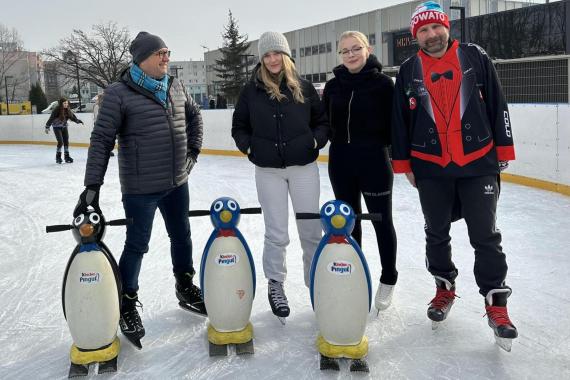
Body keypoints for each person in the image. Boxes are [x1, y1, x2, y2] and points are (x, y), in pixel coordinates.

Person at [391, 1, 517, 344]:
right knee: (436, 232)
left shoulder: (476, 56)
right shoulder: (407, 69)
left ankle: (496, 303)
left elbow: (497, 103)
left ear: (446, 27)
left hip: (478, 162)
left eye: (435, 27)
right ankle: (443, 287)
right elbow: (400, 122)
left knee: (485, 236)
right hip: (430, 166)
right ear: (416, 35)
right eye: (423, 30)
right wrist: (403, 165)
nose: (431, 35)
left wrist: (503, 150)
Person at [73, 31, 206, 348]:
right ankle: (127, 301)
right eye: (160, 53)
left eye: (167, 52)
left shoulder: (175, 86)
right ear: (142, 58)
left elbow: (194, 116)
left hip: (177, 182)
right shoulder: (117, 94)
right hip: (140, 187)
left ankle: (185, 285)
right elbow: (101, 141)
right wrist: (92, 187)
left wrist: (193, 154)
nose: (166, 58)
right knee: (137, 245)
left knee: (182, 235)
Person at [232, 31, 329, 320]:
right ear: (262, 59)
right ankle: (276, 284)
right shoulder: (251, 91)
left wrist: (314, 141)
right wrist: (249, 146)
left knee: (311, 231)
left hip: (303, 168)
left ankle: (316, 286)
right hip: (268, 171)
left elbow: (322, 122)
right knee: (276, 232)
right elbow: (239, 127)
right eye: (267, 55)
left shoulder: (304, 86)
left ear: (286, 56)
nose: (272, 59)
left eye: (277, 53)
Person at [322, 31, 398, 312]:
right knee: (348, 223)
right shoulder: (332, 87)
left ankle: (388, 277)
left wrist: (401, 158)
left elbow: (396, 126)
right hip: (340, 161)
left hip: (375, 161)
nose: (351, 54)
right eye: (345, 51)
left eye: (356, 49)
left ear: (368, 49)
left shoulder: (383, 85)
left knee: (381, 221)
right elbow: (323, 122)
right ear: (340, 55)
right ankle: (355, 275)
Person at [44, 97, 83, 164]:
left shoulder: (67, 109)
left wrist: (78, 121)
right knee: (60, 142)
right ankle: (58, 157)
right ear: (61, 103)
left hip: (64, 126)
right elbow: (51, 118)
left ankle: (67, 156)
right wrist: (47, 126)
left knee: (66, 141)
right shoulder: (57, 109)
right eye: (64, 103)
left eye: (67, 103)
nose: (66, 104)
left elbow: (72, 117)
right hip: (56, 127)